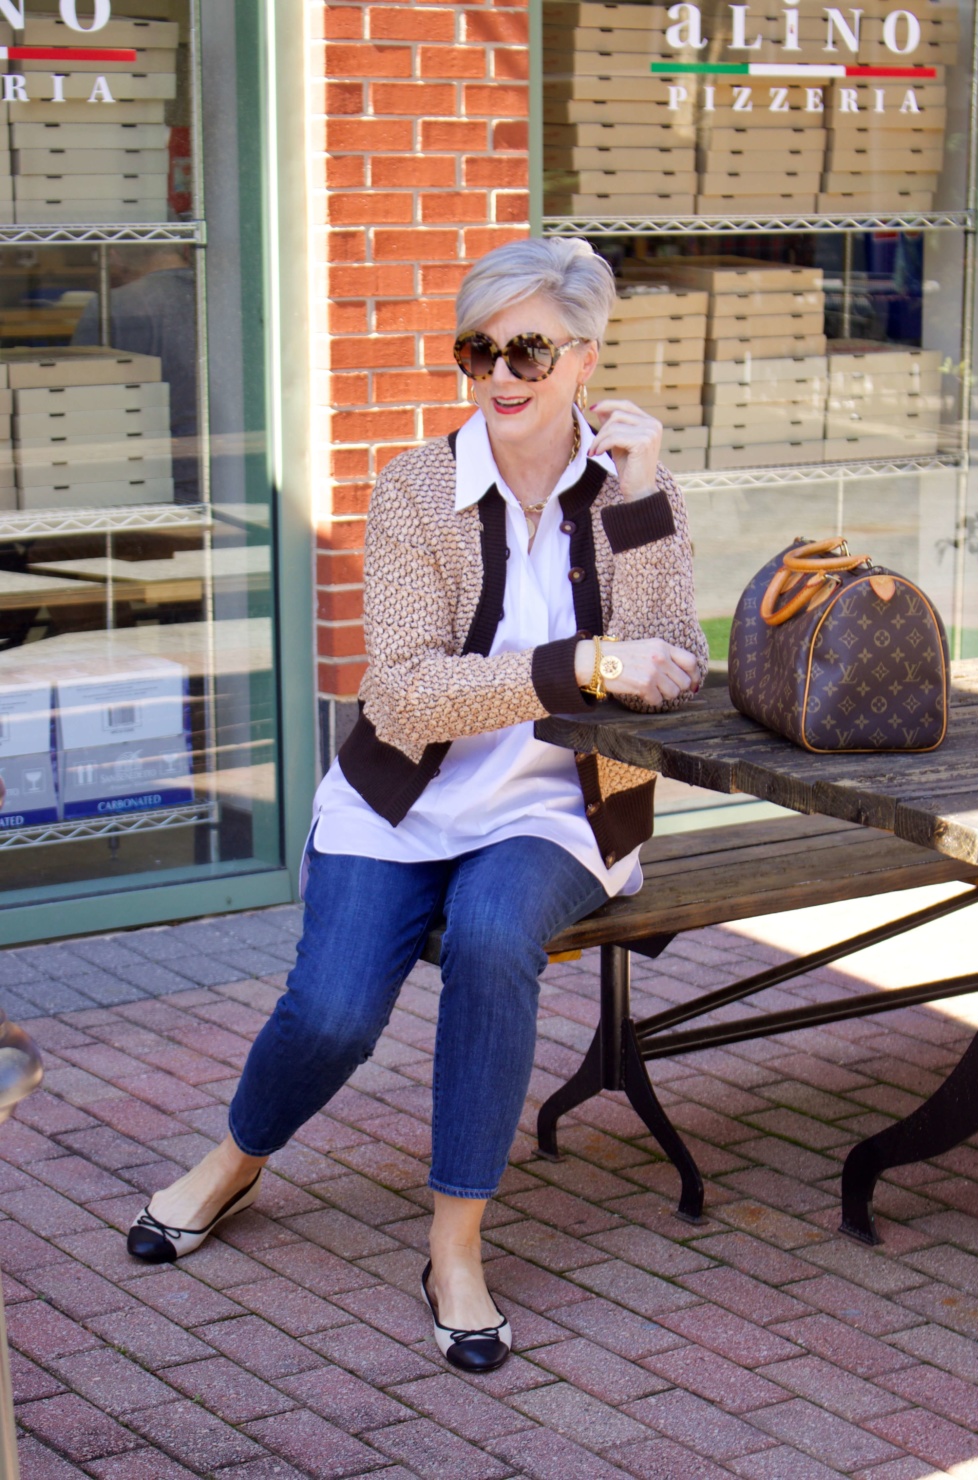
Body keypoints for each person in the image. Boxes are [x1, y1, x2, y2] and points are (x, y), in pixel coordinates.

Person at [126, 237, 708, 1373]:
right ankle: (240, 1155)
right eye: (477, 347)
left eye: (529, 345)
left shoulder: (632, 489)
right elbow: (400, 692)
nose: (501, 370)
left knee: (495, 939)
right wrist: (580, 666)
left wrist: (637, 503)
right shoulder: (413, 489)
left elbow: (674, 658)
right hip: (402, 798)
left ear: (584, 356)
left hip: (560, 807)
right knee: (334, 1011)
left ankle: (455, 1245)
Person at [72, 244, 199, 503]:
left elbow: (76, 410)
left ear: (114, 254)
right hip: (241, 476)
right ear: (184, 247)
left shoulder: (110, 309)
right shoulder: (229, 294)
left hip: (143, 484)